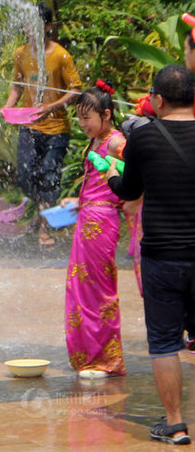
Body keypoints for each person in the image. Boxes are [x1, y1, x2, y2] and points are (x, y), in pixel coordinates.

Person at [107, 65, 195, 445]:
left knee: (164, 343)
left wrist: (112, 173)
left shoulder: (144, 138)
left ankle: (175, 424)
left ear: (157, 100)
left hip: (162, 255)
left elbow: (128, 191)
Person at [60, 83, 126, 379]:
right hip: (87, 218)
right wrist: (79, 200)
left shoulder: (115, 142)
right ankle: (89, 356)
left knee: (99, 290)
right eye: (80, 118)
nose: (83, 124)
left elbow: (131, 179)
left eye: (88, 117)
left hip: (103, 222)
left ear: (107, 114)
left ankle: (105, 360)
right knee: (81, 289)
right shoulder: (97, 140)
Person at [2, 2, 82, 248]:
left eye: (36, 24)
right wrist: (8, 106)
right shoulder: (20, 53)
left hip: (56, 130)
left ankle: (44, 228)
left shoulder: (61, 55)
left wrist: (50, 107)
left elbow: (76, 90)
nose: (30, 29)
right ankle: (39, 215)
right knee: (26, 176)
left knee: (49, 177)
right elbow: (17, 85)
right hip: (29, 127)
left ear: (47, 26)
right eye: (27, 24)